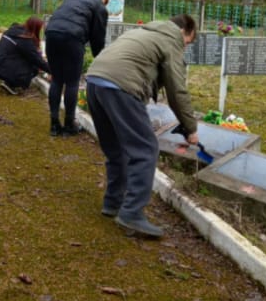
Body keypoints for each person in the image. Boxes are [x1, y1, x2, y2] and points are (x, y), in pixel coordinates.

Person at [84, 14, 200, 239]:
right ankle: (132, 213)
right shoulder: (171, 40)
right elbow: (177, 90)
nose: (185, 48)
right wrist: (191, 128)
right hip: (120, 86)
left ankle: (113, 203)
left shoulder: (144, 32)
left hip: (95, 82)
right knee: (146, 150)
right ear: (184, 31)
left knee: (116, 150)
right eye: (188, 43)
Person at [43, 0, 109, 137]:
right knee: (72, 82)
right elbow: (98, 37)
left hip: (52, 33)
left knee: (57, 80)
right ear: (104, 0)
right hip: (72, 37)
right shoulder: (100, 7)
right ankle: (69, 124)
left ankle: (54, 125)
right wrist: (100, 58)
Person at [0, 17, 50, 94]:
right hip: (1, 67)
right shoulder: (25, 40)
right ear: (35, 29)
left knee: (27, 60)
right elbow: (37, 60)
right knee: (34, 67)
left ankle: (8, 79)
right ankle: (11, 83)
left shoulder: (13, 31)